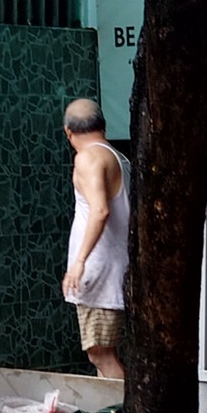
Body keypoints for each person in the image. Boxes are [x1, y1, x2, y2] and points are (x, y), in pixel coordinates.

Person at [60, 97, 130, 380]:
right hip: (113, 265)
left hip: (100, 269)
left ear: (68, 132)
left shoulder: (88, 158)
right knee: (102, 353)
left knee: (100, 353)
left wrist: (79, 262)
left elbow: (100, 211)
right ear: (102, 125)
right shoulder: (117, 157)